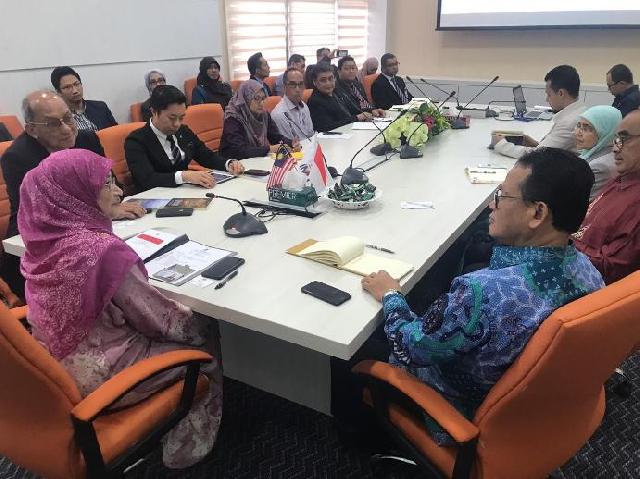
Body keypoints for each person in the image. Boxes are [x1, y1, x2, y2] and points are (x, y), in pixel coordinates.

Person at [357, 148, 604, 442]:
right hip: (535, 408)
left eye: (502, 197)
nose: (491, 205)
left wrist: (390, 294)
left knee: (352, 346)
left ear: (537, 213)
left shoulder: (483, 292)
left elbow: (413, 347)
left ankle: (361, 438)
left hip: (461, 409)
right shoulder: (590, 273)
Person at [18, 149, 223, 469]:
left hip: (52, 368)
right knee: (205, 338)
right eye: (104, 184)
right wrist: (206, 318)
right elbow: (160, 322)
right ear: (75, 195)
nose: (117, 191)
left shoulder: (41, 243)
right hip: (106, 378)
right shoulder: (103, 252)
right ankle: (185, 451)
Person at [0, 91, 145, 298]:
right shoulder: (17, 157)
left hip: (92, 226)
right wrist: (104, 212)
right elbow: (41, 212)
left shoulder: (86, 138)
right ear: (32, 129)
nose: (67, 129)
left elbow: (112, 184)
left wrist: (112, 206)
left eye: (68, 118)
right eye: (53, 124)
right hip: (37, 240)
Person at [125, 85, 244, 192]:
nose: (177, 124)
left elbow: (206, 156)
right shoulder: (136, 141)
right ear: (154, 112)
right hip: (155, 198)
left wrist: (228, 164)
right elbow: (147, 179)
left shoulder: (183, 131)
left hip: (185, 192)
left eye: (181, 118)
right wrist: (184, 176)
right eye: (172, 118)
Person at [573, 110, 640, 284]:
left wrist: (560, 243)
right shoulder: (621, 179)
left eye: (624, 139)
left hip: (582, 282)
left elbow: (609, 267)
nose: (616, 148)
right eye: (616, 139)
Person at [491, 65, 586, 158]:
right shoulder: (580, 111)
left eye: (549, 95)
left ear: (561, 93)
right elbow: (553, 149)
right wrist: (535, 144)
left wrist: (502, 145)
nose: (547, 99)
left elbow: (539, 155)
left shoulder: (570, 122)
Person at [219, 80, 298, 159]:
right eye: (256, 98)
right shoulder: (233, 118)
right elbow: (240, 150)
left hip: (256, 158)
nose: (261, 103)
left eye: (263, 98)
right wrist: (269, 149)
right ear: (246, 98)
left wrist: (291, 143)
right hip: (233, 162)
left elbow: (275, 137)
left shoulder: (264, 115)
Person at [574, 106, 621, 200]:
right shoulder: (595, 151)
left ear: (605, 132)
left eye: (587, 128)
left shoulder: (599, 167)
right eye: (578, 125)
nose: (578, 133)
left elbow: (581, 202)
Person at [50, 66, 117, 131]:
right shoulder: (58, 119)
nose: (75, 90)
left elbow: (117, 132)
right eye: (67, 87)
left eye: (76, 84)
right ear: (58, 92)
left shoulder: (100, 107)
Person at [307, 63, 369, 133]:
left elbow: (353, 109)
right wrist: (357, 118)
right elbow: (327, 127)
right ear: (315, 82)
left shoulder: (337, 92)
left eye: (330, 79)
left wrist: (368, 113)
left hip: (351, 131)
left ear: (335, 79)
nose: (328, 83)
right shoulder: (315, 101)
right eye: (323, 80)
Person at [270, 68, 315, 141]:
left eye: (301, 84)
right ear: (284, 87)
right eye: (293, 84)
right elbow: (289, 144)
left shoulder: (304, 106)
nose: (298, 89)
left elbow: (311, 134)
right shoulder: (279, 114)